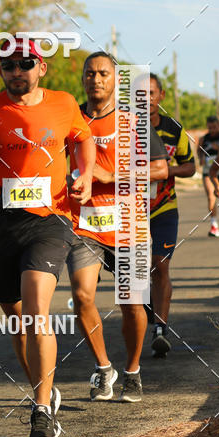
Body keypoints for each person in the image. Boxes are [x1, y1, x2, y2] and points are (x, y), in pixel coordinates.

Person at [0, 36, 95, 437]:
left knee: (38, 310)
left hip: (51, 218)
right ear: (0, 71)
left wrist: (87, 174)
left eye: (25, 64)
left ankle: (41, 410)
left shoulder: (64, 103)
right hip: (0, 223)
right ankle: (45, 390)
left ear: (43, 68)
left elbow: (84, 137)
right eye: (8, 65)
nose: (16, 71)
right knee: (18, 316)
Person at [66, 53, 169, 402]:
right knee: (82, 296)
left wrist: (112, 175)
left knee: (132, 304)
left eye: (103, 73)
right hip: (86, 225)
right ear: (83, 79)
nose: (96, 79)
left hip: (130, 226)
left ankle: (133, 371)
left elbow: (160, 170)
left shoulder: (133, 121)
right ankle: (103, 368)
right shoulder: (71, 118)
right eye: (90, 73)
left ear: (116, 81)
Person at [149, 74, 196, 358]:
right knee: (132, 272)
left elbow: (189, 167)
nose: (147, 98)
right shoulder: (125, 126)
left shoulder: (173, 128)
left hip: (165, 207)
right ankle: (149, 312)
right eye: (141, 93)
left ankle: (160, 329)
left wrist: (166, 171)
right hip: (131, 209)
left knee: (160, 265)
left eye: (152, 92)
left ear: (161, 96)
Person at [198, 115, 219, 237]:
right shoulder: (204, 139)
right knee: (211, 196)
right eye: (210, 128)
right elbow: (199, 151)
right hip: (208, 170)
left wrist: (217, 148)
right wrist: (201, 158)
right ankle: (214, 226)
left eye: (214, 127)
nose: (212, 130)